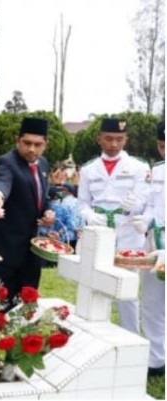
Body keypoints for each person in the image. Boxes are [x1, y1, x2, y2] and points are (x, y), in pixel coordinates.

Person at [77, 118, 150, 335]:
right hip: (99, 233)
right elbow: (82, 202)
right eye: (108, 138)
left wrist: (134, 207)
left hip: (128, 234)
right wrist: (89, 215)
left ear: (126, 139)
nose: (114, 144)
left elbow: (145, 201)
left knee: (127, 292)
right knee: (95, 288)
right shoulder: (89, 169)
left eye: (119, 139)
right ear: (99, 138)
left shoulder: (139, 167)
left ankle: (131, 337)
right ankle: (96, 335)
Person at [0, 117, 55, 306]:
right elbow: (2, 182)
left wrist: (48, 213)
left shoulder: (43, 164)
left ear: (46, 144)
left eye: (38, 144)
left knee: (26, 309)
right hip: (2, 250)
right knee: (0, 309)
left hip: (30, 252)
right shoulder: (6, 163)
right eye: (27, 143)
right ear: (17, 140)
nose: (32, 149)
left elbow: (42, 197)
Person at [134, 121, 165, 378]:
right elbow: (153, 204)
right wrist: (144, 218)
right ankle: (156, 360)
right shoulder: (157, 171)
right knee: (152, 301)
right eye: (164, 145)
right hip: (155, 243)